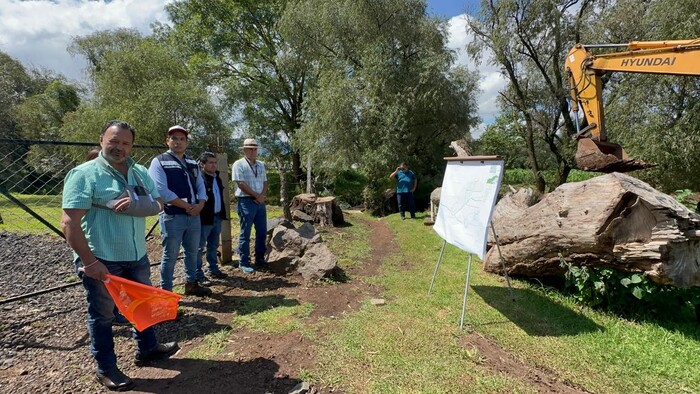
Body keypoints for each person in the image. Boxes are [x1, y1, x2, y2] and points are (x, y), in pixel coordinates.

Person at [61, 120, 179, 391]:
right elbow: (69, 223)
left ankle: (148, 348)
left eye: (125, 143)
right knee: (102, 316)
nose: (119, 147)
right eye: (114, 141)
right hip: (103, 257)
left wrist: (138, 204)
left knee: (142, 304)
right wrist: (90, 262)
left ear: (131, 146)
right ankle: (106, 369)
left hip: (136, 253)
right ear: (101, 139)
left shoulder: (138, 172)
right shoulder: (84, 174)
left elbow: (160, 202)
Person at [148, 125, 211, 296]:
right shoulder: (159, 161)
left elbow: (201, 186)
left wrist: (201, 204)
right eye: (174, 138)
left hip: (194, 215)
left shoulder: (192, 162)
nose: (178, 142)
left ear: (187, 142)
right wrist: (186, 206)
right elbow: (161, 190)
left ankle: (191, 283)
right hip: (173, 215)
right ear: (167, 141)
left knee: (193, 252)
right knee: (170, 255)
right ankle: (166, 291)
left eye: (182, 139)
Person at [85, 147, 131, 327]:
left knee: (119, 287)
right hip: (99, 247)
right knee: (101, 298)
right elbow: (70, 222)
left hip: (123, 246)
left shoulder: (123, 178)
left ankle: (116, 313)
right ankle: (109, 318)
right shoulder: (86, 178)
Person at [232, 138, 268, 273]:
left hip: (260, 202)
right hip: (246, 201)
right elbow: (240, 183)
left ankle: (260, 259)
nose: (253, 151)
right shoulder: (238, 164)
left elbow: (265, 182)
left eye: (255, 149)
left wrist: (262, 196)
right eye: (250, 149)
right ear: (245, 150)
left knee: (262, 231)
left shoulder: (261, 164)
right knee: (245, 232)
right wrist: (256, 195)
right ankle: (244, 261)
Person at [197, 152, 229, 284]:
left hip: (217, 217)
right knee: (199, 247)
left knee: (213, 245)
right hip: (204, 218)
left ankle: (213, 269)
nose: (214, 165)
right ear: (202, 164)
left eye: (215, 162)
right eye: (210, 162)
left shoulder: (217, 178)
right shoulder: (200, 179)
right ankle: (198, 274)